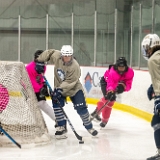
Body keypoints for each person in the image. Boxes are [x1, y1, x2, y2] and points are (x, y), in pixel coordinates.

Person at [36, 45, 98, 139]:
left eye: (68, 56)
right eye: (65, 56)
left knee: (81, 107)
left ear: (71, 55)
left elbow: (70, 81)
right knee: (57, 105)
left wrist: (60, 89)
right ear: (62, 55)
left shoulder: (75, 66)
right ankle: (62, 127)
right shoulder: (57, 56)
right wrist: (39, 61)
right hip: (59, 87)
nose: (66, 58)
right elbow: (49, 53)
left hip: (74, 89)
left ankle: (89, 126)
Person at [90, 57, 134, 128]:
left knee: (111, 101)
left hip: (118, 84)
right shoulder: (113, 72)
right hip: (105, 82)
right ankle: (97, 112)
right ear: (117, 66)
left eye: (123, 67)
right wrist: (110, 91)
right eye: (119, 67)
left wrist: (123, 87)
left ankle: (103, 118)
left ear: (126, 67)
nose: (121, 69)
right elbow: (110, 83)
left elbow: (129, 84)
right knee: (108, 98)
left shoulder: (130, 72)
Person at [25, 50, 58, 130]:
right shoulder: (29, 68)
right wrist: (41, 89)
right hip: (28, 89)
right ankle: (37, 124)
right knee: (33, 108)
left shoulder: (43, 66)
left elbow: (40, 77)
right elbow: (30, 81)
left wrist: (44, 85)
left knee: (43, 104)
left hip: (37, 88)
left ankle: (58, 120)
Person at [141, 33, 160, 160]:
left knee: (157, 122)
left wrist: (158, 97)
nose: (146, 50)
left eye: (147, 47)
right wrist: (153, 86)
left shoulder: (153, 59)